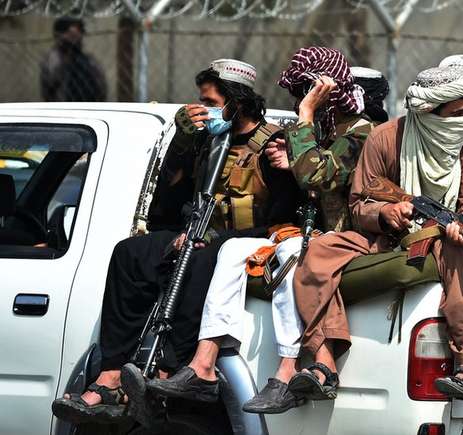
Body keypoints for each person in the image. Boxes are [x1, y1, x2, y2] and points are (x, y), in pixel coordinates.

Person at [51, 59, 301, 425]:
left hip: (248, 240)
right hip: (196, 231)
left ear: (238, 101)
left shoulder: (273, 144)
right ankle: (111, 375)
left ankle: (168, 370)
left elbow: (282, 216)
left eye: (213, 102)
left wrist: (219, 236)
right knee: (130, 253)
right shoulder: (205, 141)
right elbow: (166, 203)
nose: (205, 110)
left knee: (203, 258)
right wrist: (181, 143)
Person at [144, 47, 378, 416]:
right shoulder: (322, 128)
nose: (302, 99)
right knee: (230, 251)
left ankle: (287, 371)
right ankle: (203, 364)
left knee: (290, 257)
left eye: (308, 90)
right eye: (300, 93)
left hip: (348, 235)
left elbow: (319, 175)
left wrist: (300, 134)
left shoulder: (362, 132)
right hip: (311, 230)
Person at [285, 65, 463, 403]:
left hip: (445, 240)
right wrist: (386, 214)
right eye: (456, 113)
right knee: (320, 250)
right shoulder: (385, 137)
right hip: (386, 239)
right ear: (429, 111)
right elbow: (359, 204)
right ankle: (324, 362)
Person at [40, 16, 107, 102]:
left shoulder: (89, 60)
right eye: (71, 35)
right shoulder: (53, 59)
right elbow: (50, 87)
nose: (77, 37)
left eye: (79, 33)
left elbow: (101, 87)